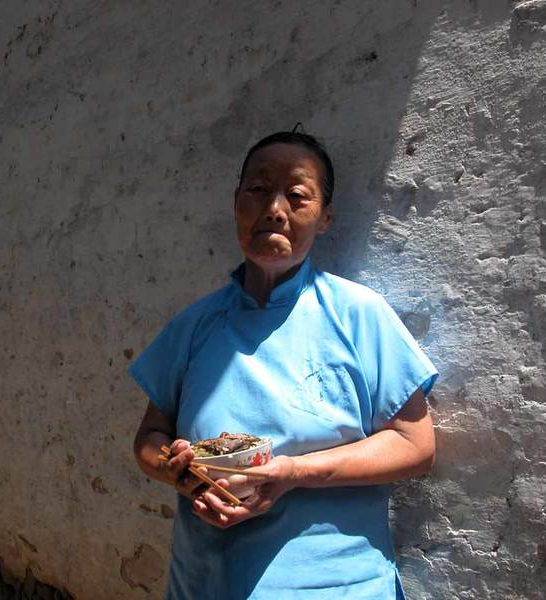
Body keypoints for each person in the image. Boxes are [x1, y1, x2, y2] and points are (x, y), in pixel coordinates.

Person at [130, 130, 438, 599]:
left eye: (297, 196)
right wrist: (180, 471)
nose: (275, 209)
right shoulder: (195, 325)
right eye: (258, 189)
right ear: (236, 203)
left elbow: (415, 445)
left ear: (326, 217)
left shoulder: (357, 315)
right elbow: (150, 438)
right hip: (203, 584)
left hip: (336, 586)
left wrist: (294, 474)